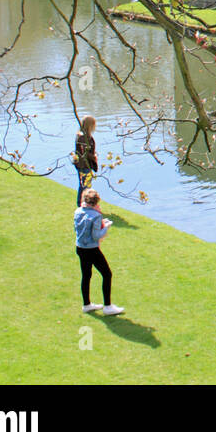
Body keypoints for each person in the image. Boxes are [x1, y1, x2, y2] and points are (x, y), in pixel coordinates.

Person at [74, 188, 124, 316]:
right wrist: (106, 227)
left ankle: (87, 304)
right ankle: (108, 306)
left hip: (80, 248)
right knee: (107, 274)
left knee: (86, 275)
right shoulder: (96, 216)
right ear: (96, 202)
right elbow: (96, 236)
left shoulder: (78, 211)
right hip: (92, 249)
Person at [74, 116, 98, 208]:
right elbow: (85, 153)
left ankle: (82, 203)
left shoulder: (80, 135)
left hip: (80, 164)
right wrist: (94, 156)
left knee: (83, 184)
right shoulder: (84, 138)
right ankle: (84, 204)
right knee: (85, 185)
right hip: (84, 165)